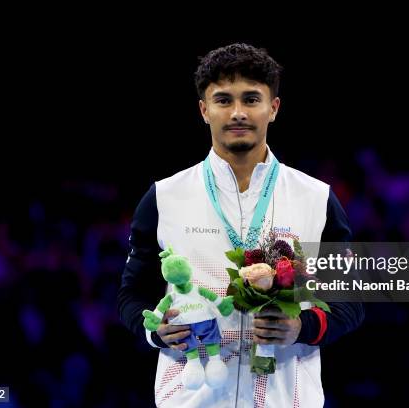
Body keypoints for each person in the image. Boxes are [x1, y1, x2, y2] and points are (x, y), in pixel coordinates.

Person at [117, 43, 364, 408]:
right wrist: (155, 331)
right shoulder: (164, 198)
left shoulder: (315, 198)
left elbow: (351, 301)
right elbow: (131, 295)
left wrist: (303, 327)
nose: (237, 113)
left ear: (273, 108)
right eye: (223, 100)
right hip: (189, 399)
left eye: (251, 99)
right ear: (204, 110)